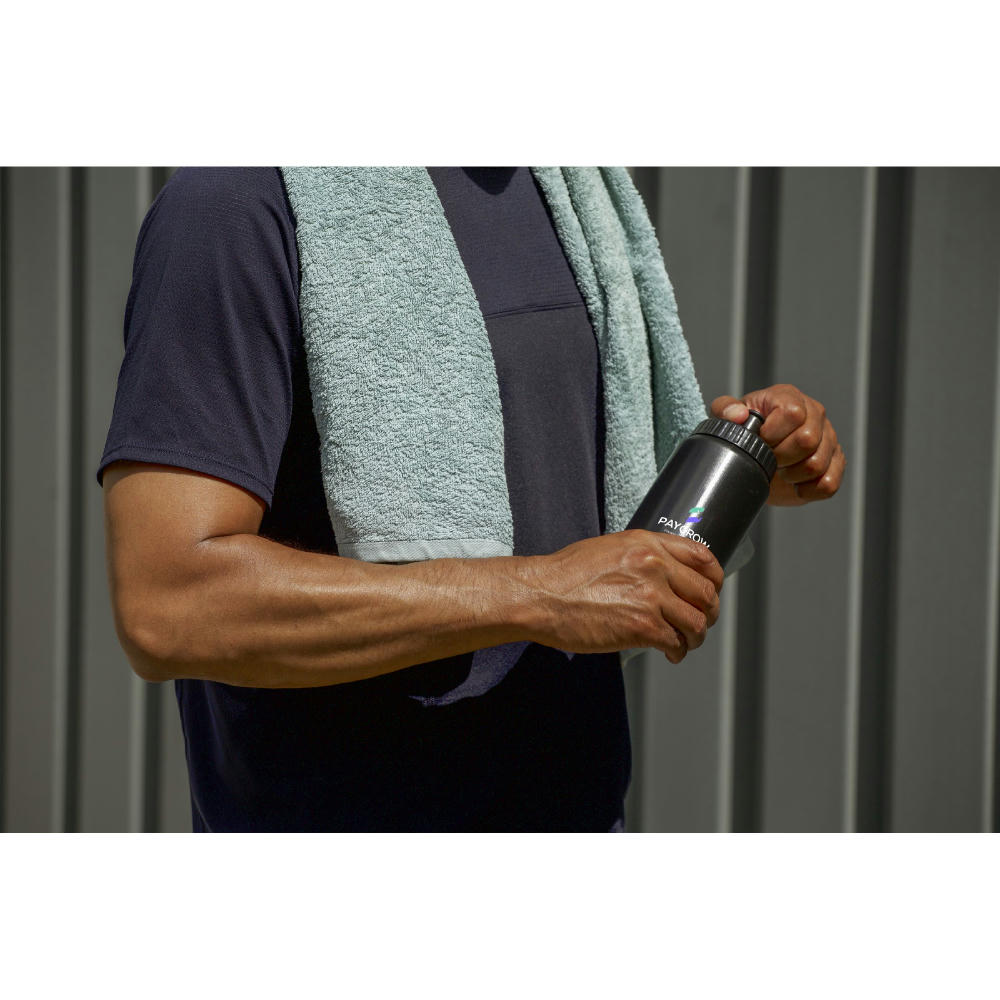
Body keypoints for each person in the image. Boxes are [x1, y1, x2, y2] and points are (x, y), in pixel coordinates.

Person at [99, 167, 845, 832]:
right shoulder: (236, 202)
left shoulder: (575, 194)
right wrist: (538, 593)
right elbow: (168, 603)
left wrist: (746, 463)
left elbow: (564, 485)